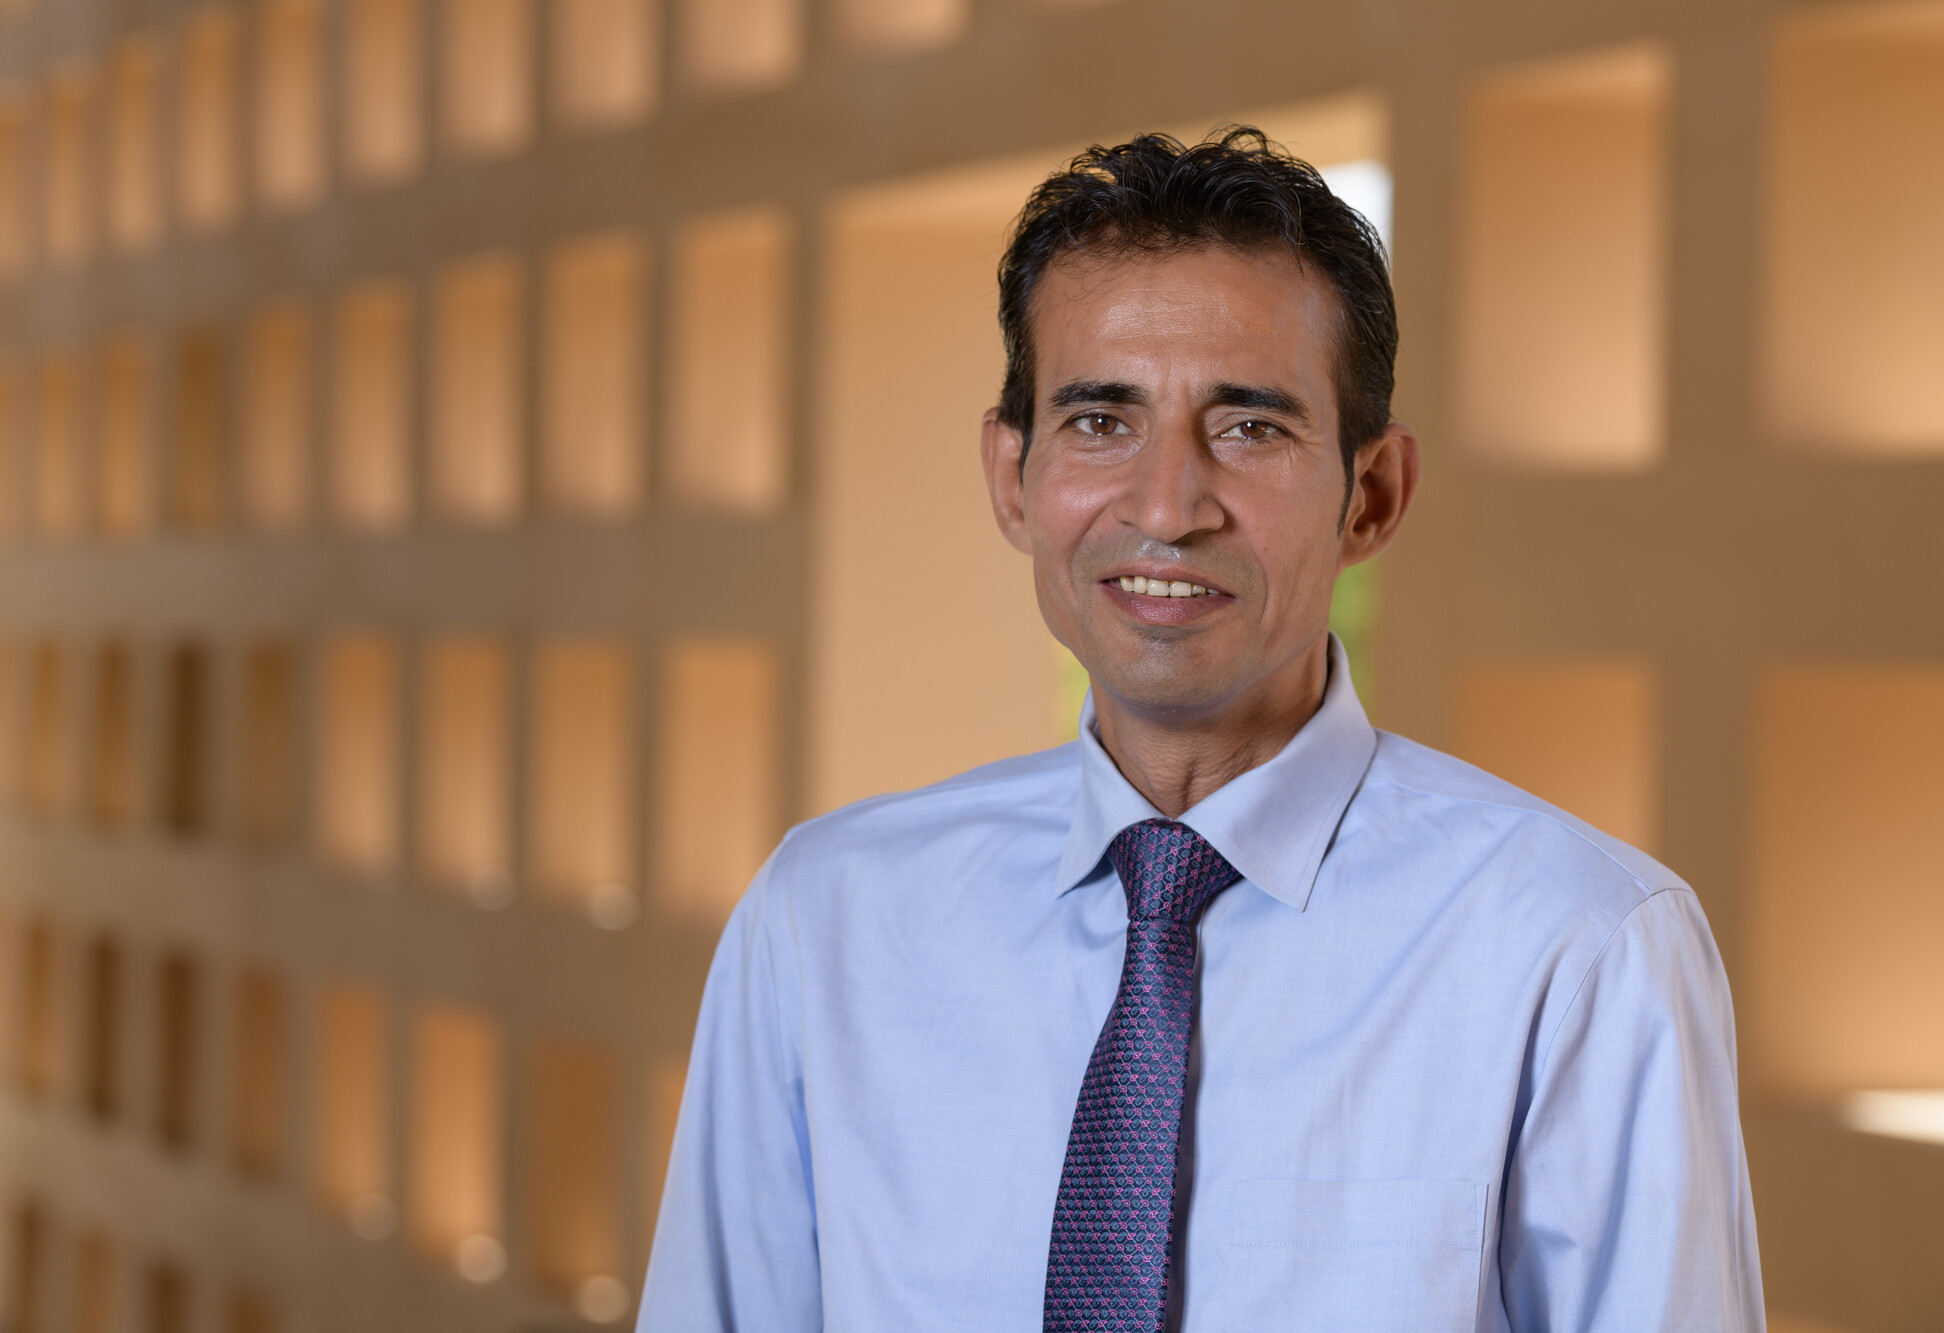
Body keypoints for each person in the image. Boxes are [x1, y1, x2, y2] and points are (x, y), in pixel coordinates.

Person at [637, 128, 1763, 1333]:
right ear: (1011, 477)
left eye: (1250, 427)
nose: (1167, 506)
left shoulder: (1578, 947)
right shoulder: (824, 923)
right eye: (1100, 421)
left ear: (1370, 494)